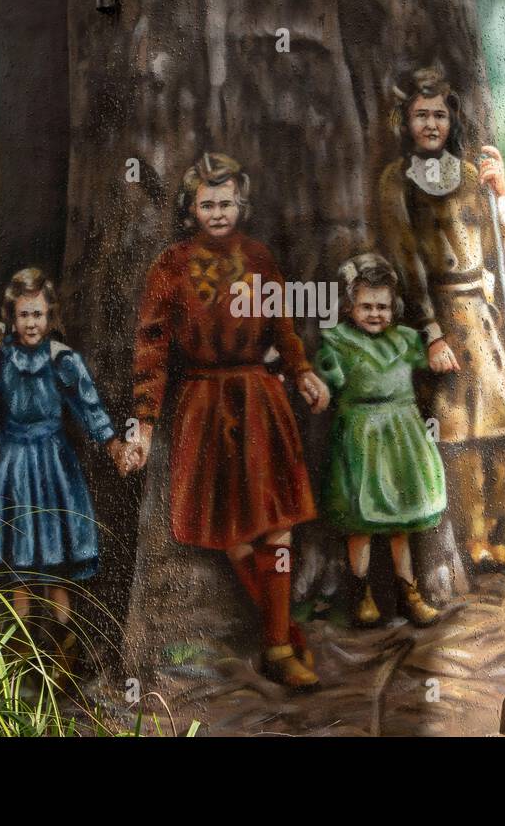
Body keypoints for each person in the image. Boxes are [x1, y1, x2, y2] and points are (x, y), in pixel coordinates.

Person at [128, 151, 330, 692]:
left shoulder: (259, 258)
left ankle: (278, 647)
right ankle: (281, 629)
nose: (218, 212)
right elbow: (151, 347)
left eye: (227, 202)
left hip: (261, 400)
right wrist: (144, 422)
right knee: (230, 532)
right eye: (206, 203)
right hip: (202, 403)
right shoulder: (171, 266)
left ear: (241, 203)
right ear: (191, 208)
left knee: (276, 523)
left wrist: (303, 372)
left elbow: (283, 329)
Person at [377, 67, 505, 571]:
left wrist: (500, 198)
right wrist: (431, 334)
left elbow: (495, 249)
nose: (431, 124)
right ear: (406, 121)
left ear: (451, 118)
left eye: (439, 114)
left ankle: (502, 530)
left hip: (480, 314)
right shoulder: (396, 182)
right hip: (439, 314)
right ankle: (471, 539)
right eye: (421, 115)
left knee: (504, 423)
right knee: (457, 434)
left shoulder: (467, 176)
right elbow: (405, 259)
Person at [0, 267, 129, 674]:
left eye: (38, 315)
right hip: (13, 464)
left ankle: (64, 644)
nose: (31, 323)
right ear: (12, 318)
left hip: (51, 467)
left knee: (54, 561)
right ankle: (23, 644)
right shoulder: (7, 360)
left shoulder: (62, 361)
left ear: (50, 317)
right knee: (19, 560)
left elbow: (88, 404)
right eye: (24, 315)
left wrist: (111, 441)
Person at [314, 252, 446, 628]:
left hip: (402, 435)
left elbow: (428, 367)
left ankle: (409, 592)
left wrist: (439, 352)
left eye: (383, 307)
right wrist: (319, 386)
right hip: (359, 437)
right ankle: (361, 592)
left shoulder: (405, 339)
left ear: (395, 307)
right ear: (350, 306)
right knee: (362, 521)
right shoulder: (338, 340)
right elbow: (328, 378)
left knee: (400, 520)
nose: (376, 314)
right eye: (366, 306)